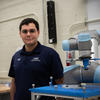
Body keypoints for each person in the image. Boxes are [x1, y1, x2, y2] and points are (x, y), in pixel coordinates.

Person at [8, 18, 64, 100]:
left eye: (32, 31)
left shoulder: (50, 54)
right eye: (24, 31)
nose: (28, 34)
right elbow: (14, 82)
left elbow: (60, 83)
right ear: (20, 34)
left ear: (38, 32)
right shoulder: (16, 56)